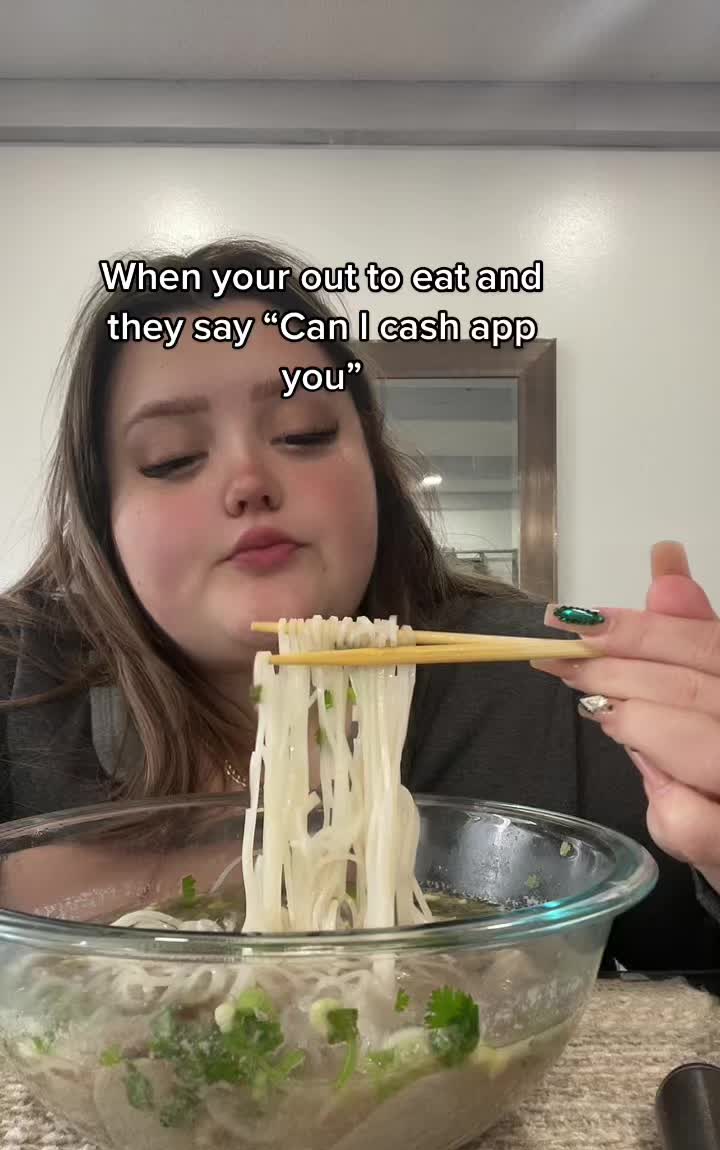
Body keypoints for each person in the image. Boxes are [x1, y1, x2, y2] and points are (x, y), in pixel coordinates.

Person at [1, 237, 719, 978]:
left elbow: (690, 965)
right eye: (172, 457)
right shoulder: (17, 680)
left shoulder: (542, 678)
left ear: (373, 467)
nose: (248, 481)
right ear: (103, 517)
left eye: (303, 434)